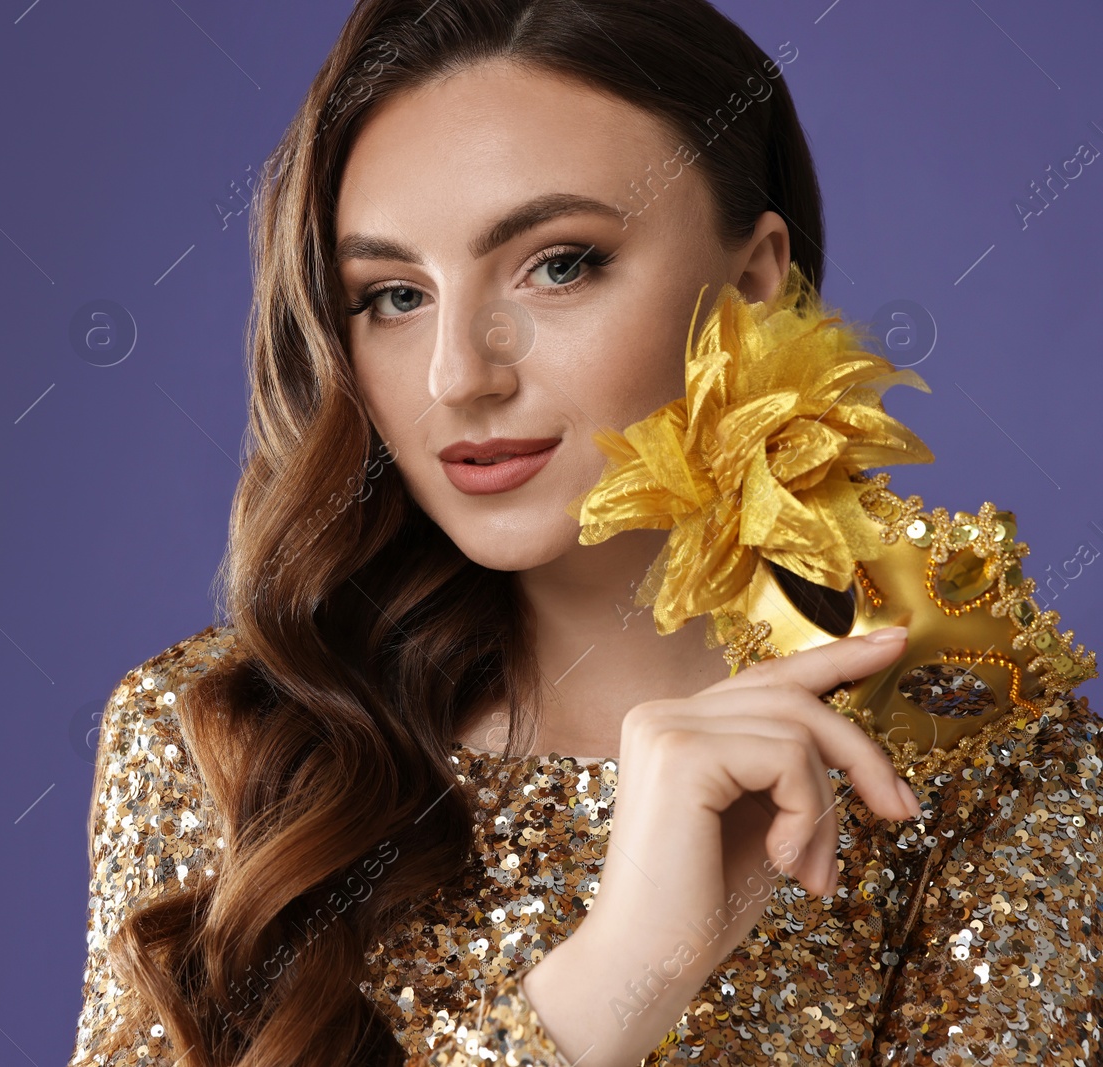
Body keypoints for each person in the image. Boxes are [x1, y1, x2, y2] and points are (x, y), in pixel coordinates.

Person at [68, 1, 1102, 1063]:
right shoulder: (222, 740)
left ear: (752, 283)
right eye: (390, 295)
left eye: (558, 264)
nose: (457, 375)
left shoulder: (982, 763)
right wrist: (613, 981)